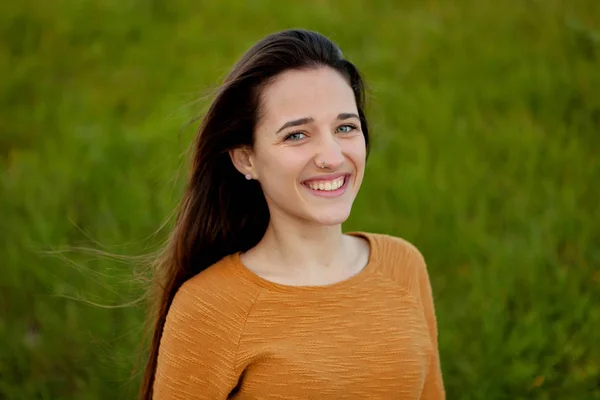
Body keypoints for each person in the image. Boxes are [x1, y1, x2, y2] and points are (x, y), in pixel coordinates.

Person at [139, 29, 445, 399]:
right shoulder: (209, 308)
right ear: (246, 158)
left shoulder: (403, 265)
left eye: (345, 127)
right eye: (297, 135)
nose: (332, 156)